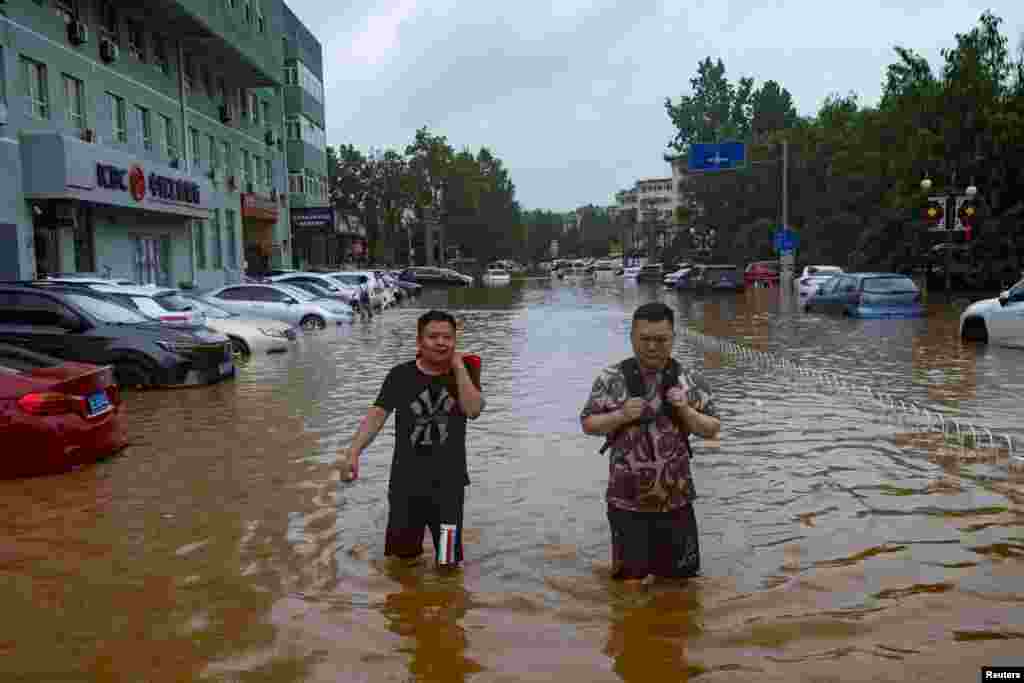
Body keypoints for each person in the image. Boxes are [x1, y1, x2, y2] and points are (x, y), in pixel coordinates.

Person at [580, 302, 720, 582]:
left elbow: (712, 428)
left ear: (673, 338)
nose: (652, 347)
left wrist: (685, 410)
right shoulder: (610, 379)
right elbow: (588, 424)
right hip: (626, 504)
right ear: (632, 337)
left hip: (677, 502)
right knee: (628, 589)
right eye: (645, 339)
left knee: (683, 587)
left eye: (661, 339)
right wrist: (620, 415)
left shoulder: (690, 379)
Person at [338, 310, 484, 568]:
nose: (441, 343)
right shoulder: (400, 375)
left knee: (449, 560)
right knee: (402, 561)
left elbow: (473, 410)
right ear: (419, 342)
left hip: (449, 485)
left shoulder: (466, 372)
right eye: (433, 336)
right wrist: (353, 452)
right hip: (406, 483)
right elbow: (376, 416)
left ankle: (447, 604)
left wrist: (459, 367)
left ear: (455, 341)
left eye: (447, 337)